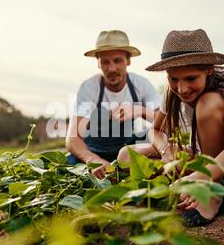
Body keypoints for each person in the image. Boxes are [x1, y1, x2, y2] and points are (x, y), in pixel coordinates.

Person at [117, 29, 224, 226]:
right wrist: (166, 150)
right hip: (202, 158)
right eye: (173, 79)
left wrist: (197, 176)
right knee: (126, 155)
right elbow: (156, 130)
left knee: (208, 103)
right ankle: (179, 188)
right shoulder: (172, 93)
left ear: (209, 69)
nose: (182, 89)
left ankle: (210, 191)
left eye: (191, 79)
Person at [66, 30, 161, 178]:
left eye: (117, 60)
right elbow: (72, 139)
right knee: (70, 166)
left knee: (151, 136)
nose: (111, 69)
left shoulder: (141, 85)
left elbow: (165, 123)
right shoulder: (89, 88)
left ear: (128, 60)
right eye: (105, 62)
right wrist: (93, 160)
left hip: (127, 145)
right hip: (94, 149)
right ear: (98, 63)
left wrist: (139, 110)